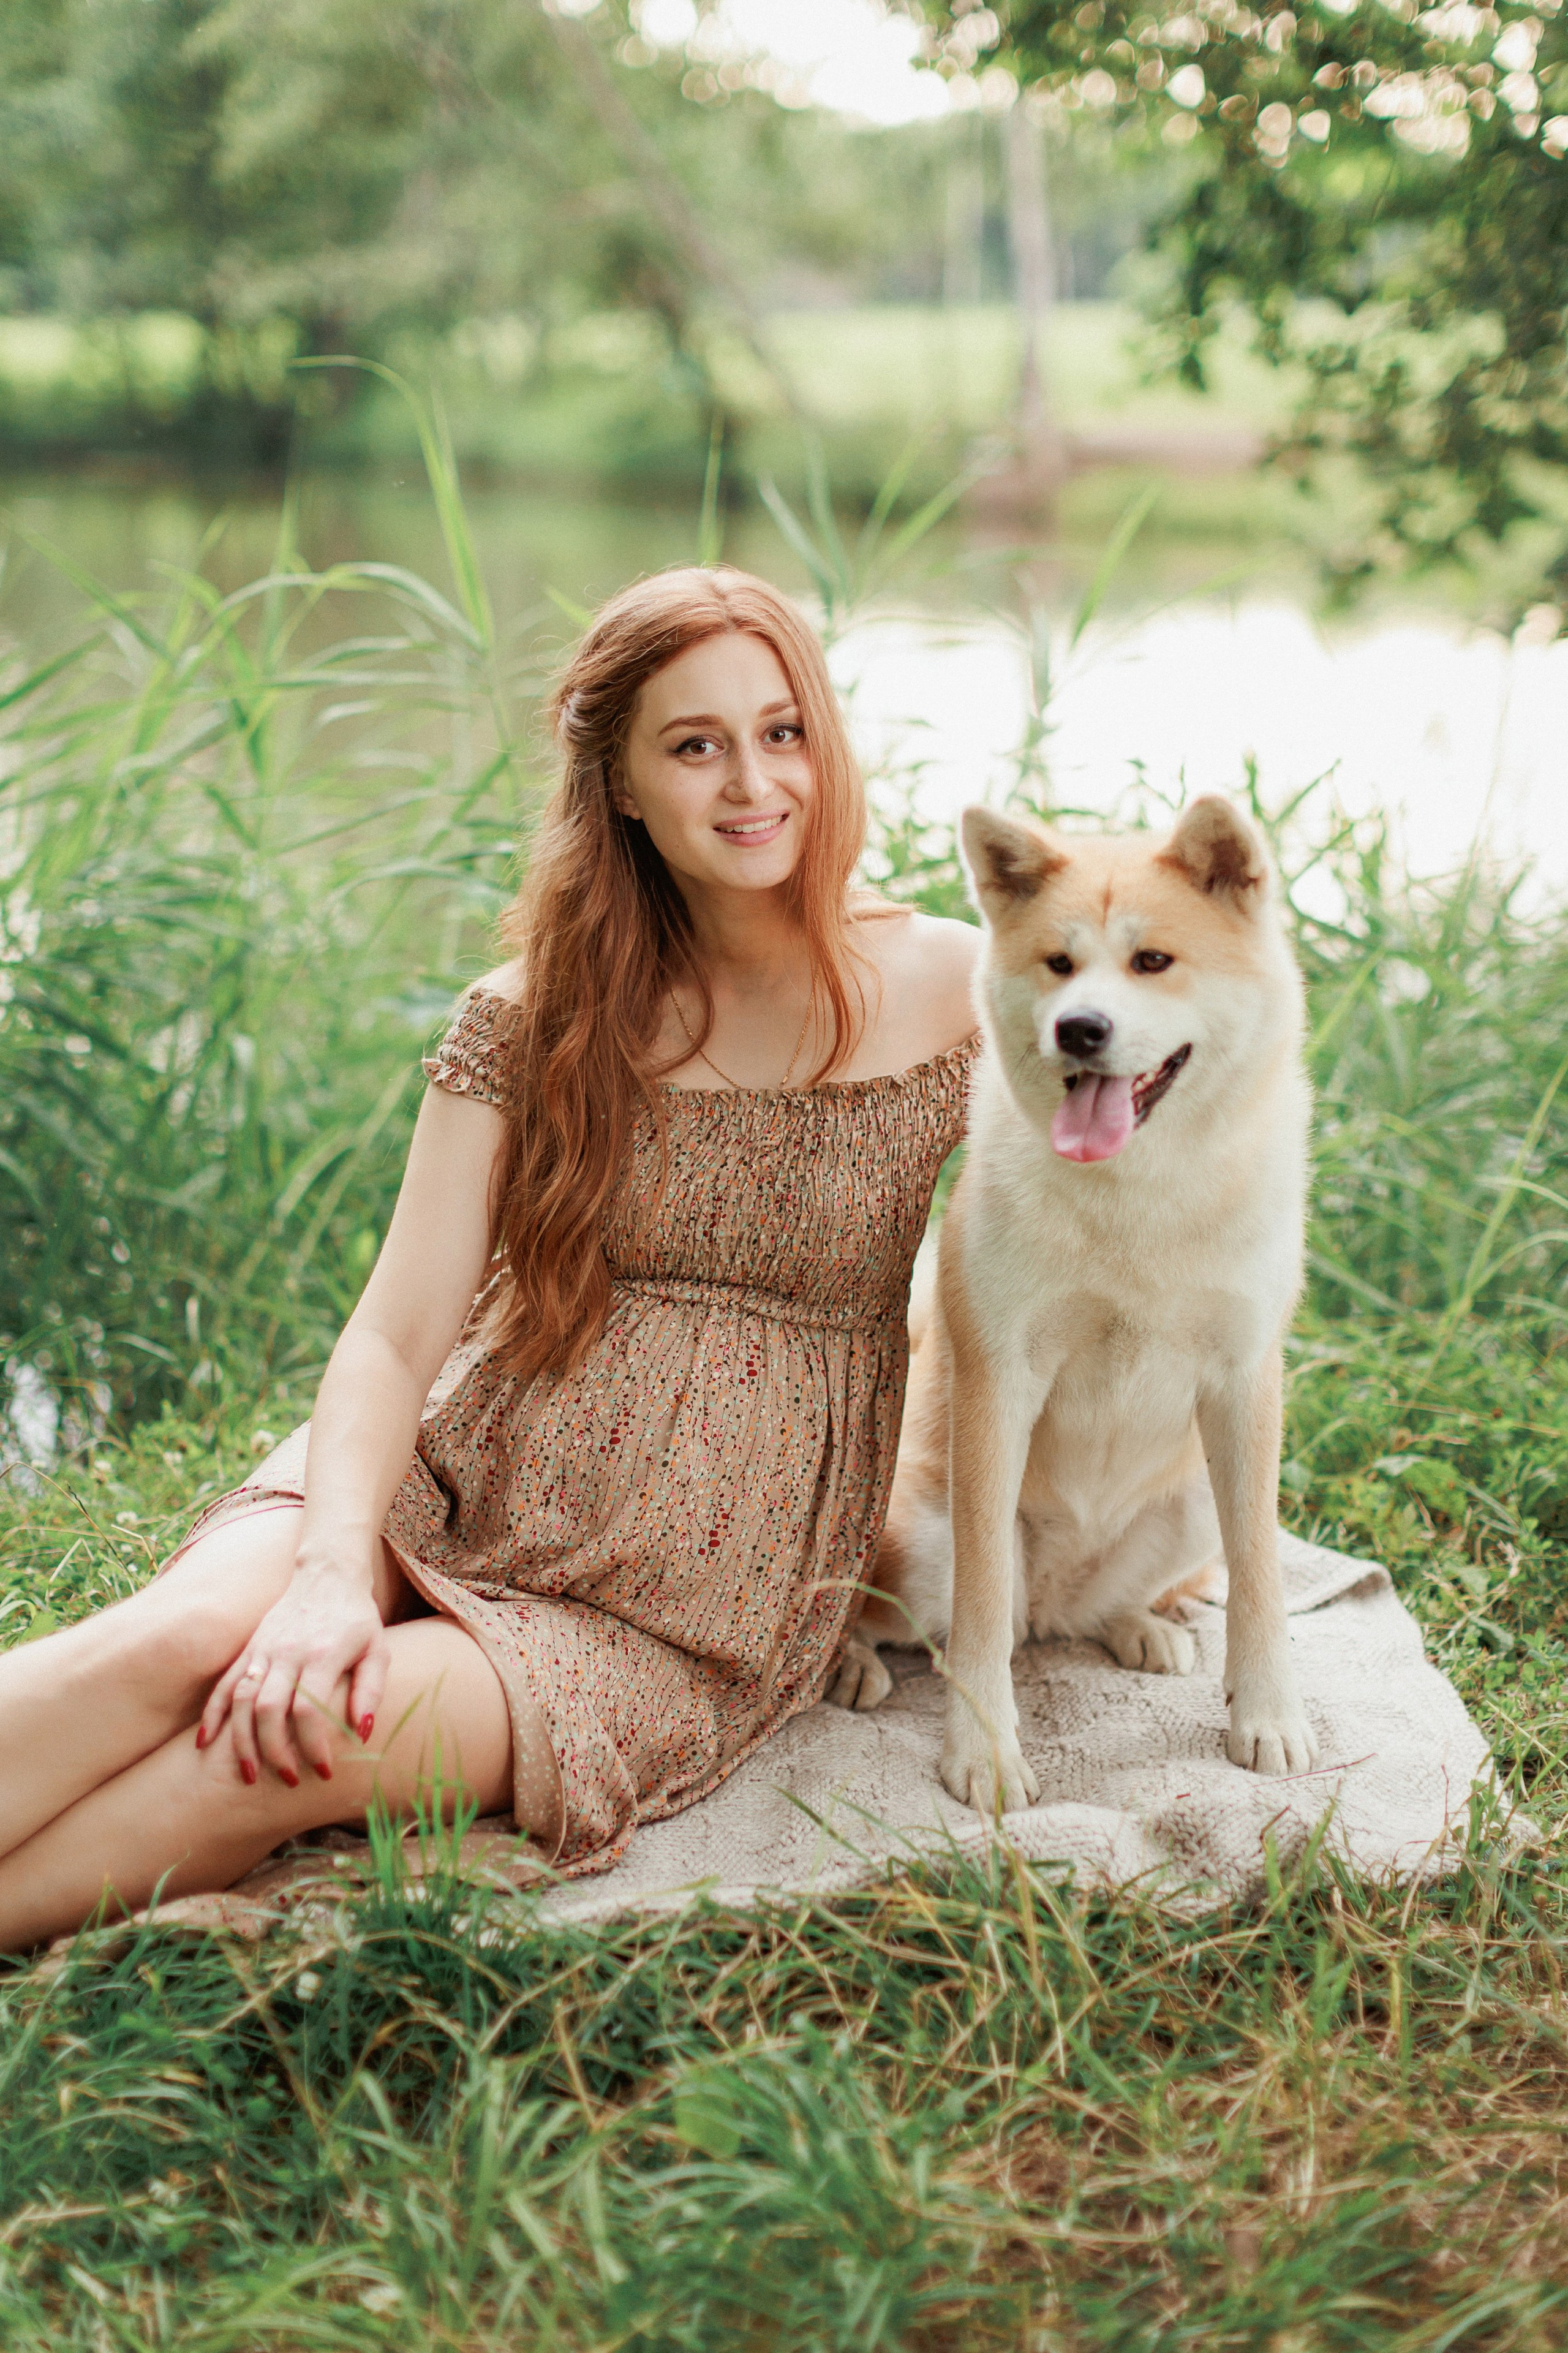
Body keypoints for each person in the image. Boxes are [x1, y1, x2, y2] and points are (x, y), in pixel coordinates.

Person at [0, 565, 980, 1950]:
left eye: (782, 732)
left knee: (279, 1743)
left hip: (674, 1608)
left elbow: (1125, 1195)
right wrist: (332, 1567)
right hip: (443, 1469)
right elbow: (397, 1332)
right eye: (694, 745)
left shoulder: (954, 987)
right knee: (175, 1645)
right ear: (621, 783)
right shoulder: (533, 1015)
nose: (753, 783)